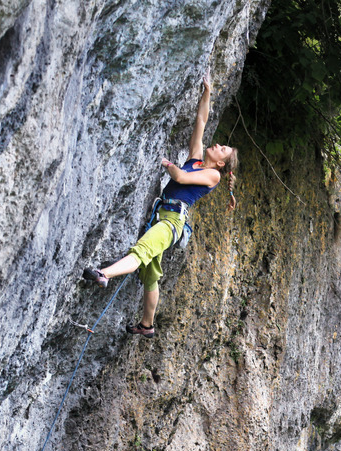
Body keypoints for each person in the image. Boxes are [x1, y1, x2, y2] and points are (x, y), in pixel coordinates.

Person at [82, 72, 238, 338]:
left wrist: (167, 164)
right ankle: (147, 326)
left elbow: (180, 177)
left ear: (221, 163)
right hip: (163, 216)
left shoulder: (213, 176)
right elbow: (201, 121)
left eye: (222, 149)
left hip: (170, 223)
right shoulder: (197, 158)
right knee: (151, 275)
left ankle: (104, 274)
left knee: (141, 252)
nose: (218, 144)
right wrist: (208, 91)